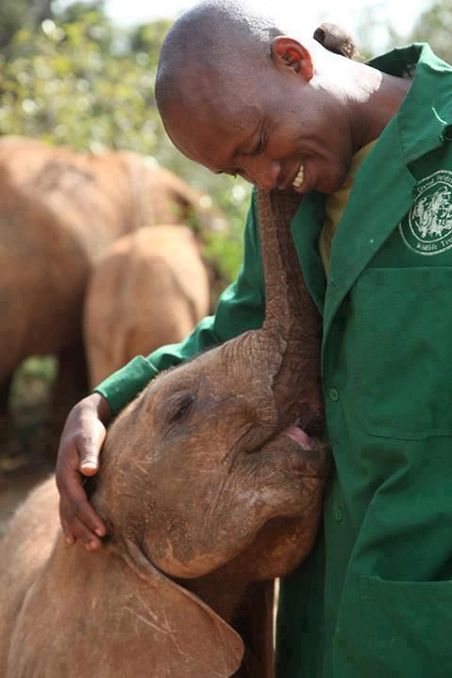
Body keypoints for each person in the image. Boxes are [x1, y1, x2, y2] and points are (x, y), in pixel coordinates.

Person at [55, 1, 452, 676]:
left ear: (294, 61)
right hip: (325, 603)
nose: (263, 178)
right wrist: (104, 400)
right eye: (238, 172)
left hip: (427, 602)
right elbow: (246, 326)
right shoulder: (284, 202)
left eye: (258, 145)